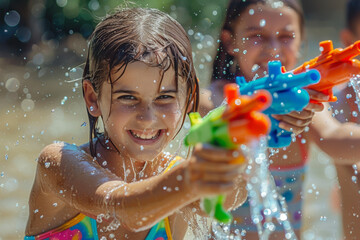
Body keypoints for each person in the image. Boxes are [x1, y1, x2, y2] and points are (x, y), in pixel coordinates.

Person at [24, 7, 249, 240]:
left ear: (189, 98)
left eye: (164, 97)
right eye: (128, 98)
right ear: (93, 98)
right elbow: (122, 206)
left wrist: (241, 143)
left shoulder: (176, 175)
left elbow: (227, 198)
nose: (148, 118)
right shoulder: (58, 164)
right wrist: (192, 175)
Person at [201, 0, 360, 239]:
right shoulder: (212, 100)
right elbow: (208, 132)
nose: (274, 49)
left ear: (301, 43)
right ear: (230, 41)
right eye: (258, 35)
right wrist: (261, 110)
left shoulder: (305, 103)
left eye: (286, 36)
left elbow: (335, 139)